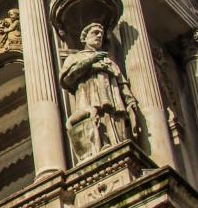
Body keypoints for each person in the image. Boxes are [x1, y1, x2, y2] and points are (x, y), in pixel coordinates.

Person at [59, 22, 139, 160]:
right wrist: (90, 61)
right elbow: (67, 78)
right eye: (94, 33)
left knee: (115, 128)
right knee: (95, 126)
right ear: (84, 38)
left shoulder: (110, 61)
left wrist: (130, 101)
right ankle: (99, 150)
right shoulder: (76, 57)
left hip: (112, 100)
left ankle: (116, 148)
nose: (99, 36)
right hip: (89, 99)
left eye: (101, 34)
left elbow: (121, 83)